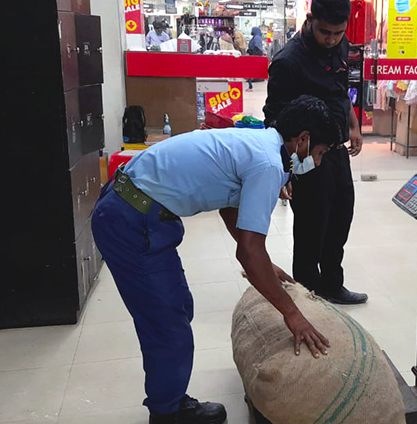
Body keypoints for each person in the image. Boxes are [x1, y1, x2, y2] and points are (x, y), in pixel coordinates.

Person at [92, 96, 340, 424]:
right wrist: (292, 314)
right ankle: (167, 414)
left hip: (131, 208)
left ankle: (170, 399)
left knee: (177, 308)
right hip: (130, 219)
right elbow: (249, 253)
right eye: (320, 153)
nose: (318, 163)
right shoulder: (267, 163)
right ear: (303, 140)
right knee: (167, 324)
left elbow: (229, 206)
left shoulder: (261, 143)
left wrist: (262, 261)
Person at [263, 0, 366, 305]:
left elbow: (340, 90)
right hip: (306, 159)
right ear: (310, 20)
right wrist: (284, 171)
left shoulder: (340, 45)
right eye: (325, 32)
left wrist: (353, 124)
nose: (332, 39)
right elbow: (274, 118)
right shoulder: (288, 62)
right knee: (310, 229)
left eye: (338, 32)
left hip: (336, 152)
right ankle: (306, 296)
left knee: (340, 220)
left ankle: (333, 285)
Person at [246, 27, 265, 91]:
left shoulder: (256, 38)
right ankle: (250, 82)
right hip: (254, 55)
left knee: (250, 69)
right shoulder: (256, 37)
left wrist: (251, 51)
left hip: (255, 55)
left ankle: (251, 83)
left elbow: (257, 47)